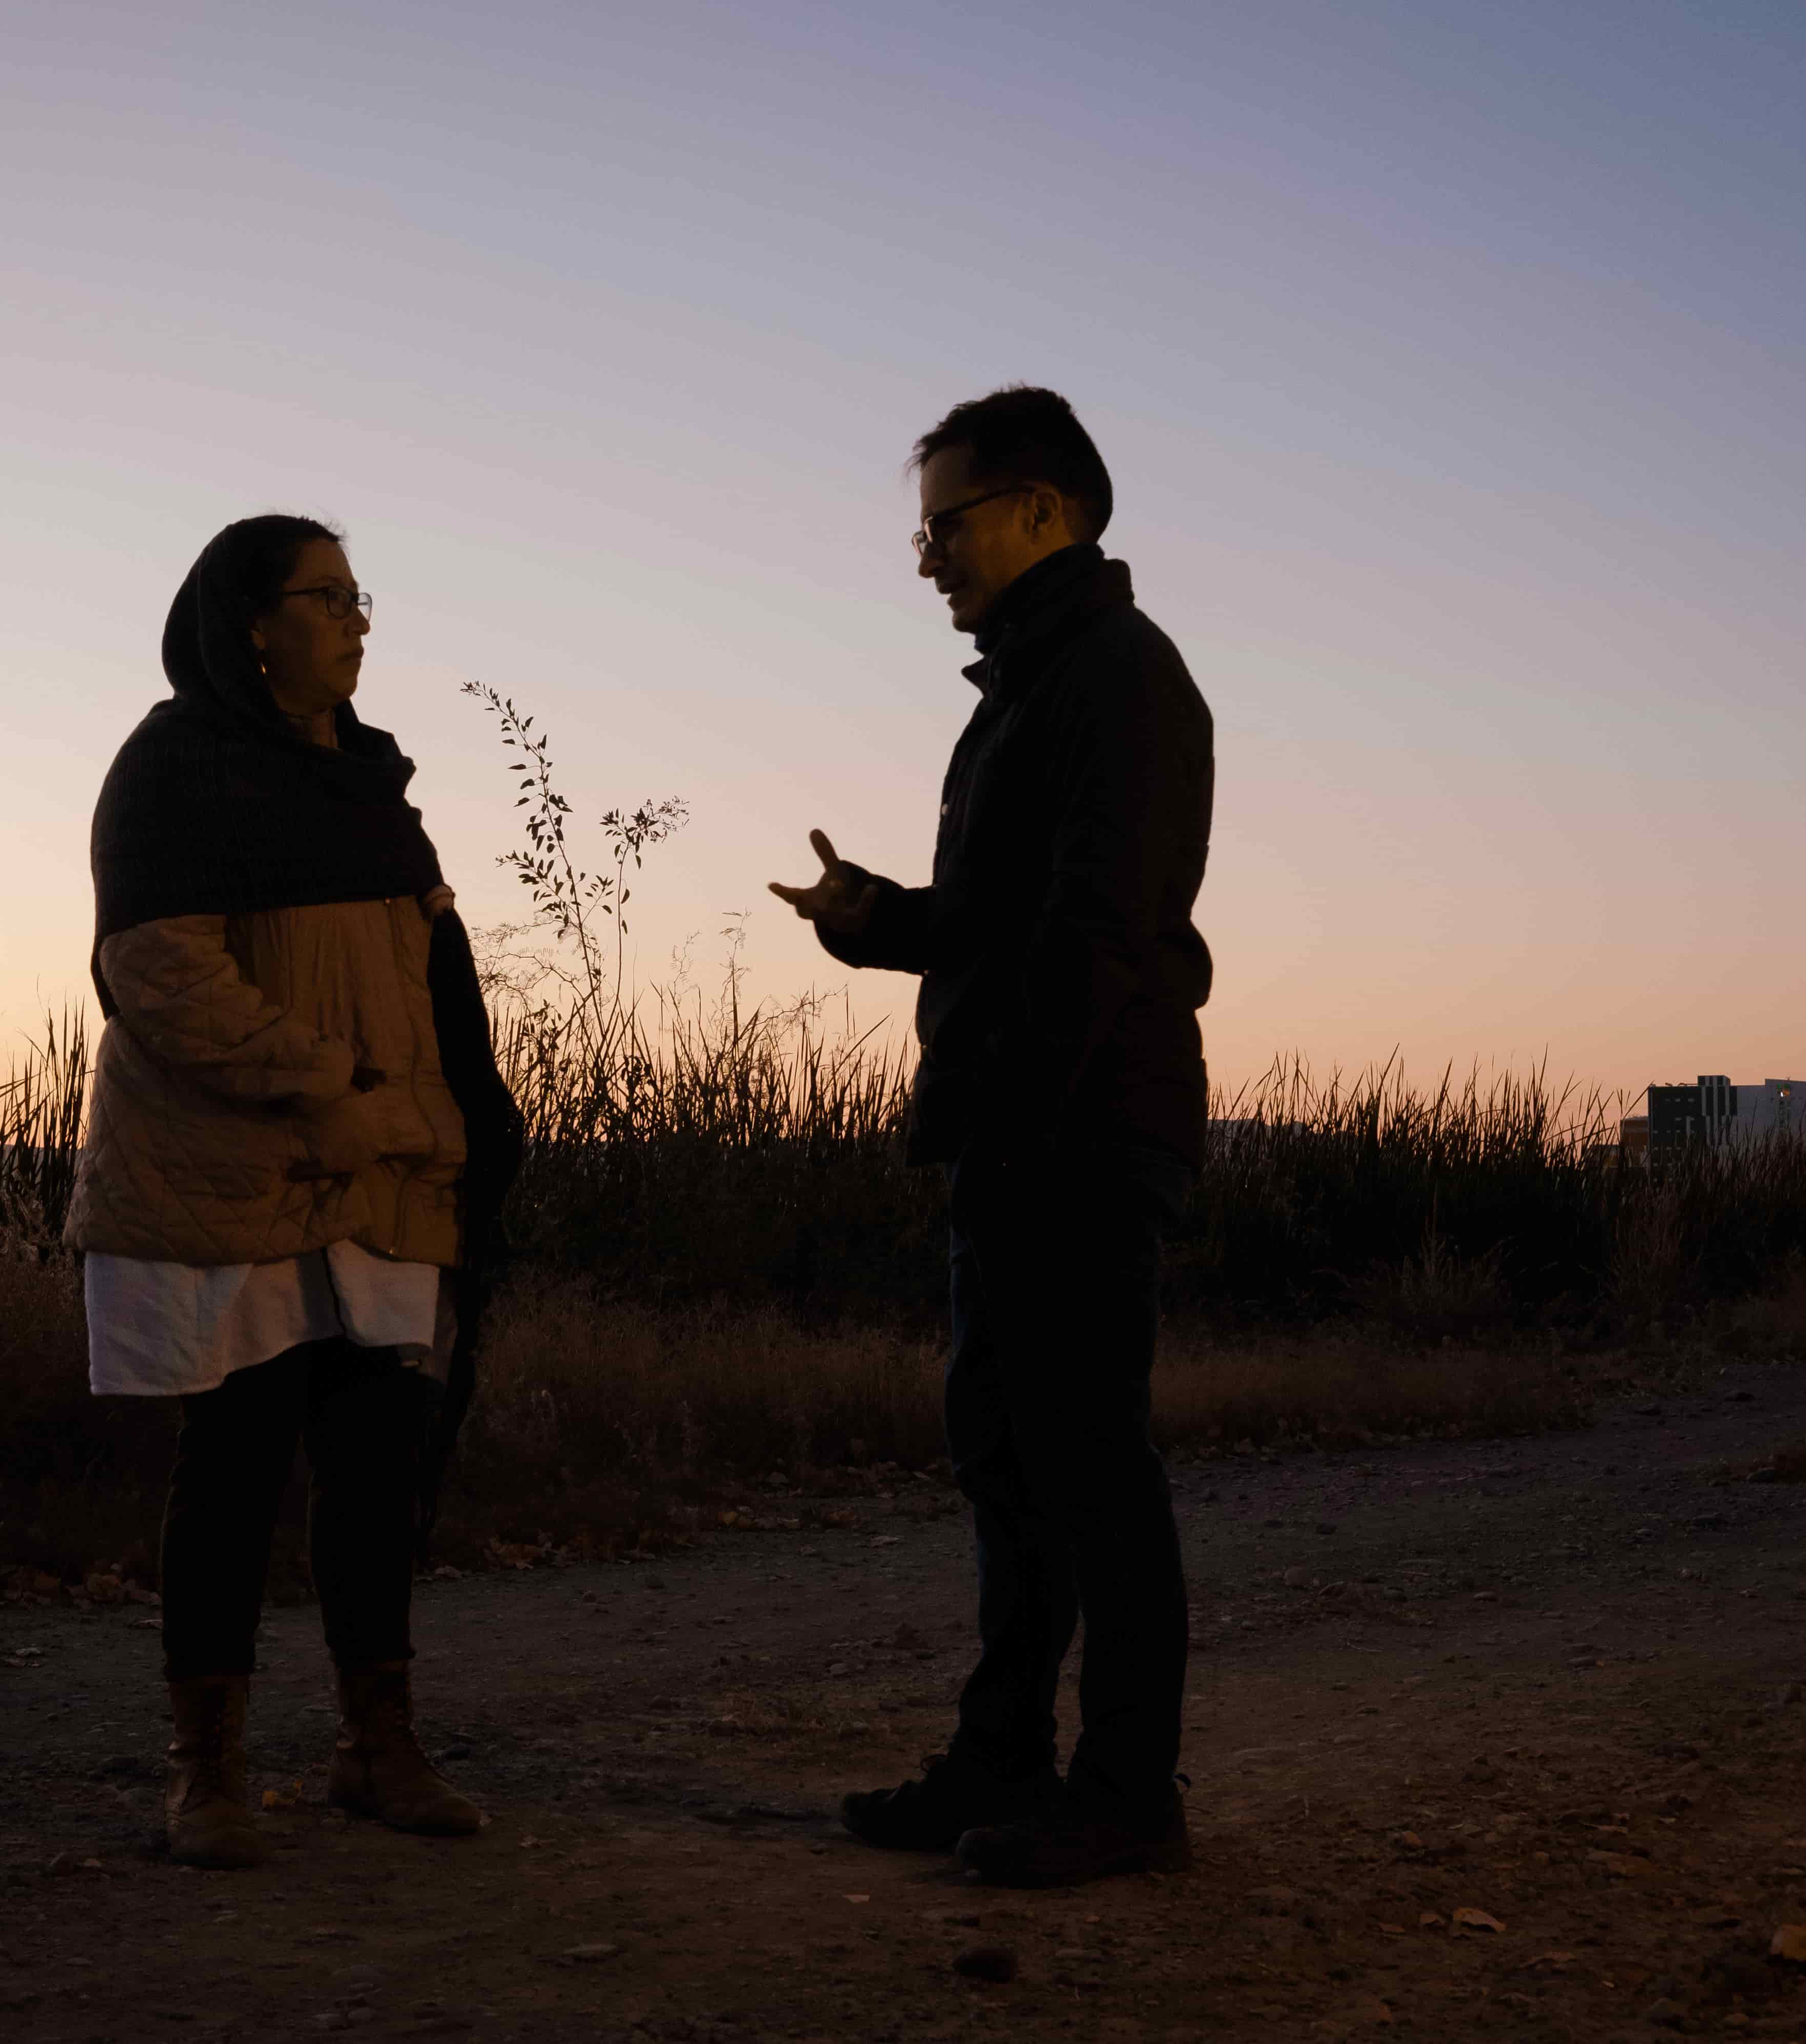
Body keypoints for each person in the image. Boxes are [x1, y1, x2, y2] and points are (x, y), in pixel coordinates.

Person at [770, 387, 1214, 1888]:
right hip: (1015, 1130)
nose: (926, 558)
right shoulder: (1026, 689)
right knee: (1010, 1464)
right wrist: (874, 919)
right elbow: (998, 923)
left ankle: (1127, 1794)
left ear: (1041, 510)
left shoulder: (1120, 679)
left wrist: (1020, 1116)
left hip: (1076, 1133)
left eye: (944, 525)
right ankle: (1002, 1759)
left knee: (1088, 1464)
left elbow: (1102, 932)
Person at [68, 513, 522, 1871]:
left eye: (358, 595)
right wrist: (332, 1088)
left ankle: (378, 1749)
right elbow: (158, 973)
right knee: (237, 1462)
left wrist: (448, 1122)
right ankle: (205, 1771)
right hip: (246, 1171)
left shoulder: (369, 785)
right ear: (252, 625)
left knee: (378, 1464)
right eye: (328, 597)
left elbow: (422, 980)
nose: (358, 619)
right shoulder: (175, 768)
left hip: (385, 1169)